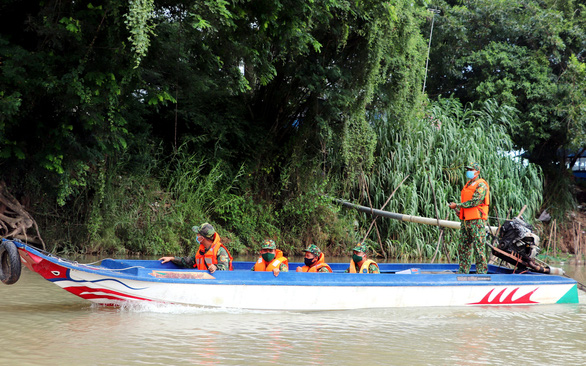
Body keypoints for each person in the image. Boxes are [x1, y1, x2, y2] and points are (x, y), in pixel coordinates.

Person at [448, 162, 489, 274]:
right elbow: (467, 204)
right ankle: (463, 271)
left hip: (477, 222)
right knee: (463, 248)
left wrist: (457, 205)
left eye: (471, 170)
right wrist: (459, 211)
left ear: (477, 172)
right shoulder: (467, 185)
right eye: (468, 169)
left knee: (478, 248)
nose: (469, 171)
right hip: (466, 222)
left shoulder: (481, 185)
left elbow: (475, 201)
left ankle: (481, 273)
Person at [159, 222, 233, 273]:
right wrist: (172, 258)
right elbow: (190, 261)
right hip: (203, 281)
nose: (196, 236)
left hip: (215, 282)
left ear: (202, 238)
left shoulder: (220, 250)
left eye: (198, 234)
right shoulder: (203, 250)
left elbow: (224, 268)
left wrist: (215, 267)